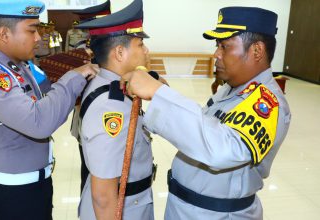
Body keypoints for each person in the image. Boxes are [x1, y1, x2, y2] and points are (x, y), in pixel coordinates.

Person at [121, 6, 291, 219]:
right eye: (217, 46)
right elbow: (207, 128)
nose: (216, 54)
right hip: (190, 208)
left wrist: (159, 94)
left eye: (224, 46)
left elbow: (223, 149)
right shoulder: (232, 89)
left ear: (256, 50)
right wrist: (165, 95)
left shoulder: (267, 101)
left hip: (218, 213)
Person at [0, 0, 99, 219]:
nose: (38, 37)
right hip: (14, 192)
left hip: (34, 182)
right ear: (4, 34)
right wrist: (74, 77)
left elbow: (46, 96)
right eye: (32, 30)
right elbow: (38, 123)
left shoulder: (19, 65)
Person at [76, 0, 156, 219]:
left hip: (130, 201)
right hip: (122, 208)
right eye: (140, 44)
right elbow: (103, 196)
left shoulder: (113, 85)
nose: (146, 50)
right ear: (120, 52)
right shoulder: (111, 106)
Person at [69, 0, 112, 195]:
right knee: (88, 165)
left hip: (112, 113)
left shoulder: (114, 46)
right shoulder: (81, 49)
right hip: (87, 112)